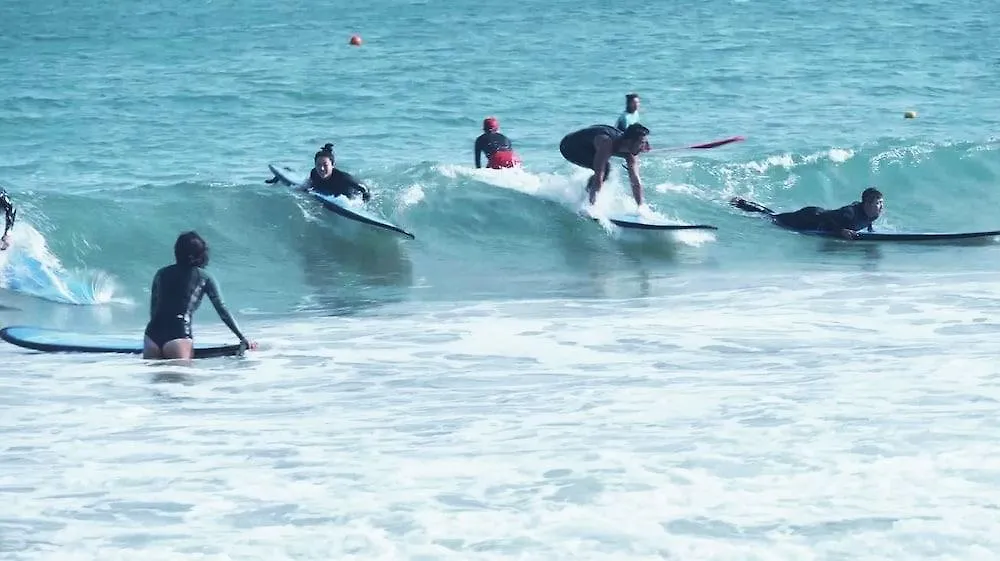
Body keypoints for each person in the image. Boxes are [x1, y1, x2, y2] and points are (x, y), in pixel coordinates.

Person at [143, 231, 257, 360]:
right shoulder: (204, 277)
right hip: (178, 334)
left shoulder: (161, 273)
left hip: (152, 335)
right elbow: (222, 309)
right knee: (181, 379)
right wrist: (242, 337)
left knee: (153, 378)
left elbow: (154, 309)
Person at [730, 187, 884, 240]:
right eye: (878, 203)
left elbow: (867, 219)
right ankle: (740, 203)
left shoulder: (872, 213)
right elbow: (826, 217)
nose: (881, 206)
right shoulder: (849, 213)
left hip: (816, 217)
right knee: (773, 217)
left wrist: (871, 231)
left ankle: (742, 202)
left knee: (774, 216)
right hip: (810, 218)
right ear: (867, 204)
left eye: (881, 202)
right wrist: (841, 231)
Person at [559, 122, 651, 206]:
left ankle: (586, 195)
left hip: (592, 146)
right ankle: (588, 202)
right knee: (605, 169)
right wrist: (592, 208)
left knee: (605, 170)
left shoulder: (632, 153)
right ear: (629, 141)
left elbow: (636, 182)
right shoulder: (607, 143)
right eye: (641, 143)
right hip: (569, 146)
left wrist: (640, 208)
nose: (645, 147)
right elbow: (599, 176)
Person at [297, 143, 371, 202]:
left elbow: (365, 189)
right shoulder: (314, 172)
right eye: (318, 165)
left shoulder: (343, 178)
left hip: (350, 193)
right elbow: (308, 183)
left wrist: (362, 204)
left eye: (325, 165)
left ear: (333, 165)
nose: (321, 168)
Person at [0, 187, 16, 251]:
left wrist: (7, 233)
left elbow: (12, 209)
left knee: (6, 238)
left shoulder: (2, 196)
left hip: (3, 207)